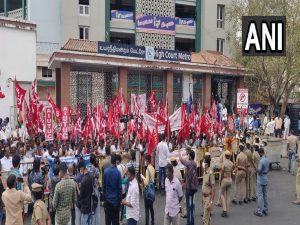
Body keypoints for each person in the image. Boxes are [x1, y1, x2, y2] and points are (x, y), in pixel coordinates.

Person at [179, 148, 198, 225]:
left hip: (189, 187)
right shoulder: (194, 163)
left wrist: (178, 151)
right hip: (194, 187)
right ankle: (192, 222)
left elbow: (181, 159)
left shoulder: (189, 163)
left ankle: (189, 223)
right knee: (192, 205)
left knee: (188, 206)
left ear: (190, 156)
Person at [103, 154, 122, 225]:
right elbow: (119, 189)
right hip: (115, 202)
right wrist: (120, 202)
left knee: (107, 221)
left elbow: (104, 188)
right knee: (115, 221)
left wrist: (104, 200)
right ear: (116, 162)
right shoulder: (118, 173)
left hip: (108, 200)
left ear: (110, 161)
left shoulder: (105, 172)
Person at [254, 148, 270, 217]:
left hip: (260, 178)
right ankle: (265, 209)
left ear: (260, 153)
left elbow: (259, 170)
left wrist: (255, 168)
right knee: (265, 195)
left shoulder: (261, 161)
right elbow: (268, 169)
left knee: (260, 195)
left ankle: (259, 211)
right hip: (265, 177)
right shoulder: (267, 160)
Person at [78, 160, 93, 225]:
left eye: (80, 169)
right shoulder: (90, 176)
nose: (80, 170)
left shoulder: (83, 180)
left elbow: (81, 195)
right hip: (90, 204)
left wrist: (77, 187)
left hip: (85, 206)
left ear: (82, 168)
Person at [202, 153, 215, 225]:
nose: (203, 163)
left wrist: (211, 202)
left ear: (206, 164)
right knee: (207, 220)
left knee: (205, 219)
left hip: (208, 199)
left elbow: (213, 188)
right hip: (204, 198)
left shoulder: (210, 173)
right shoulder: (205, 172)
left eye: (204, 162)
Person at [220, 150, 233, 217]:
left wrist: (220, 180)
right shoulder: (231, 163)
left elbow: (222, 172)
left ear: (225, 156)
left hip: (225, 179)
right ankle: (227, 210)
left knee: (222, 194)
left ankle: (224, 210)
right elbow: (231, 172)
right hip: (230, 179)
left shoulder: (224, 163)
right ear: (229, 156)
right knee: (228, 196)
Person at [143, 154, 155, 225]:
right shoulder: (152, 167)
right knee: (151, 207)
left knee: (146, 208)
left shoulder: (147, 169)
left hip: (147, 190)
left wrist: (143, 181)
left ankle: (147, 223)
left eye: (145, 160)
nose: (145, 162)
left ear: (147, 160)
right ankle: (152, 221)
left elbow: (146, 182)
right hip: (152, 189)